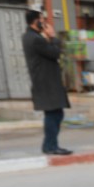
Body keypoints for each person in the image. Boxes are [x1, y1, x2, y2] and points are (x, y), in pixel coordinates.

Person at [22, 10, 71, 155]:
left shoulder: (30, 36)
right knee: (53, 114)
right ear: (34, 21)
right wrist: (53, 36)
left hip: (46, 82)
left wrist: (48, 38)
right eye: (41, 20)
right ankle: (50, 146)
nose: (44, 23)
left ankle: (50, 145)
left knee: (56, 114)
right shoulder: (35, 39)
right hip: (46, 83)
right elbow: (55, 52)